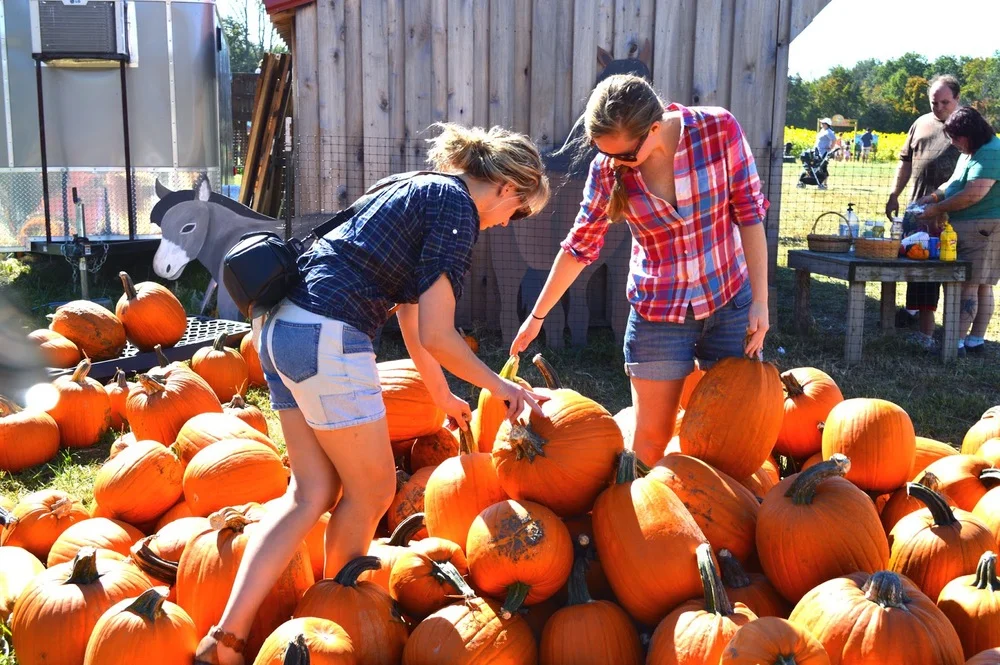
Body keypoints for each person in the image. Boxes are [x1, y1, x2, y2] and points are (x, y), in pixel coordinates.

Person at [194, 123, 551, 665]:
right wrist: (500, 387)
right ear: (508, 188)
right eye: (518, 211)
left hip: (279, 329)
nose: (509, 223)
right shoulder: (458, 210)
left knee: (310, 494)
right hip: (328, 334)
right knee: (372, 491)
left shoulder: (422, 187)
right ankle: (341, 624)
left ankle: (224, 639)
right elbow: (438, 332)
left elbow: (412, 320)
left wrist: (440, 393)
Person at [508, 74, 770, 467]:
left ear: (655, 126)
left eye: (626, 155)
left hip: (729, 302)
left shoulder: (718, 130)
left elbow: (749, 215)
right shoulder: (606, 170)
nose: (617, 163)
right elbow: (580, 247)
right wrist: (536, 317)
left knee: (732, 435)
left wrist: (761, 302)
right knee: (650, 442)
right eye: (606, 153)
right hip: (659, 313)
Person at [884, 74, 962, 350]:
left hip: (948, 212)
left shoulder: (965, 125)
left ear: (957, 100)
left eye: (945, 102)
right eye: (934, 102)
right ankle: (912, 314)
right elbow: (905, 162)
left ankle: (937, 333)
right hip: (916, 208)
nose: (939, 107)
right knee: (911, 260)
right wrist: (895, 194)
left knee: (936, 269)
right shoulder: (920, 123)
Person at [917, 106, 1000, 356]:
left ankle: (955, 344)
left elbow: (973, 194)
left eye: (955, 137)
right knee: (982, 284)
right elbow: (954, 183)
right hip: (975, 227)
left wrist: (936, 209)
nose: (953, 143)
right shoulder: (971, 151)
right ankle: (974, 341)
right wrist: (933, 196)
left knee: (970, 285)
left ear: (971, 133)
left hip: (981, 229)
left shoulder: (991, 153)